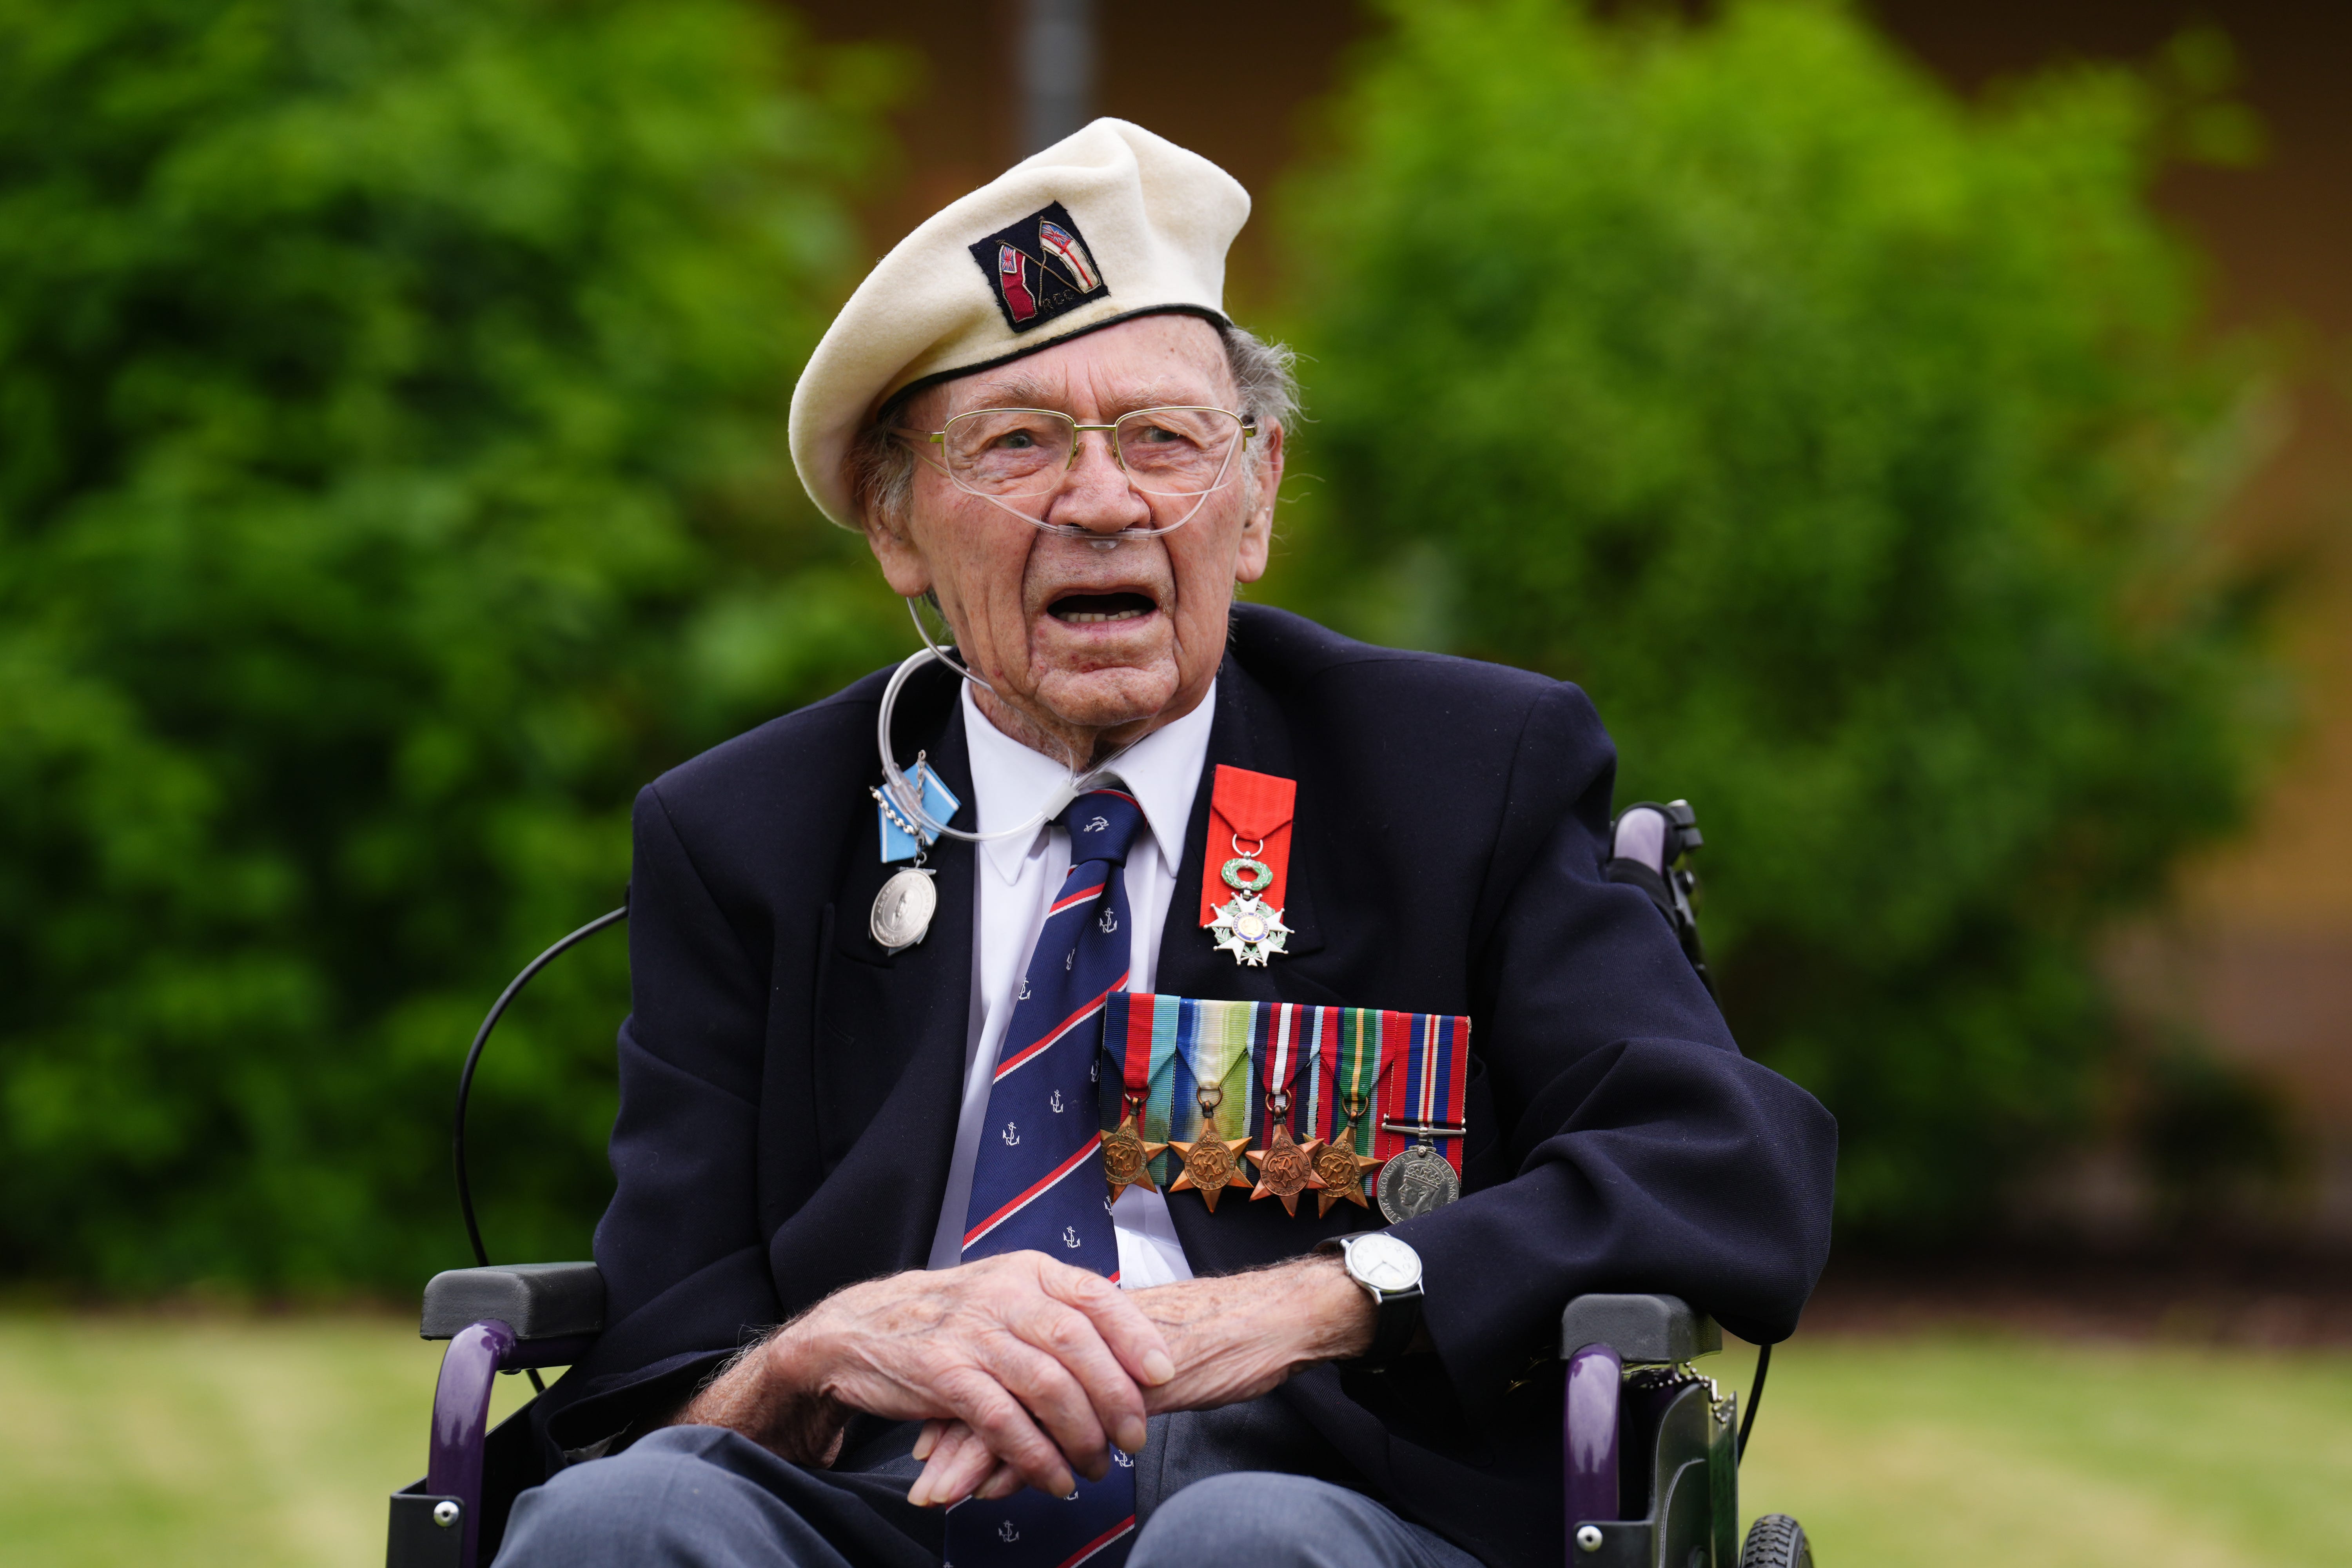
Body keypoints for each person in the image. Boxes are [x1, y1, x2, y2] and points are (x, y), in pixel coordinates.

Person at [497, 120, 1836, 1568]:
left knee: (1242, 1545)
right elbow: (652, 1370)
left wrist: (1311, 1302)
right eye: (1015, 445)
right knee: (622, 1520)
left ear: (1254, 494)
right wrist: (820, 1346)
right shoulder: (748, 834)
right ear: (896, 529)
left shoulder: (1457, 776)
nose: (1103, 501)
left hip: (1329, 1505)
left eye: (1163, 440)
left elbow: (1726, 1166)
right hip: (877, 1514)